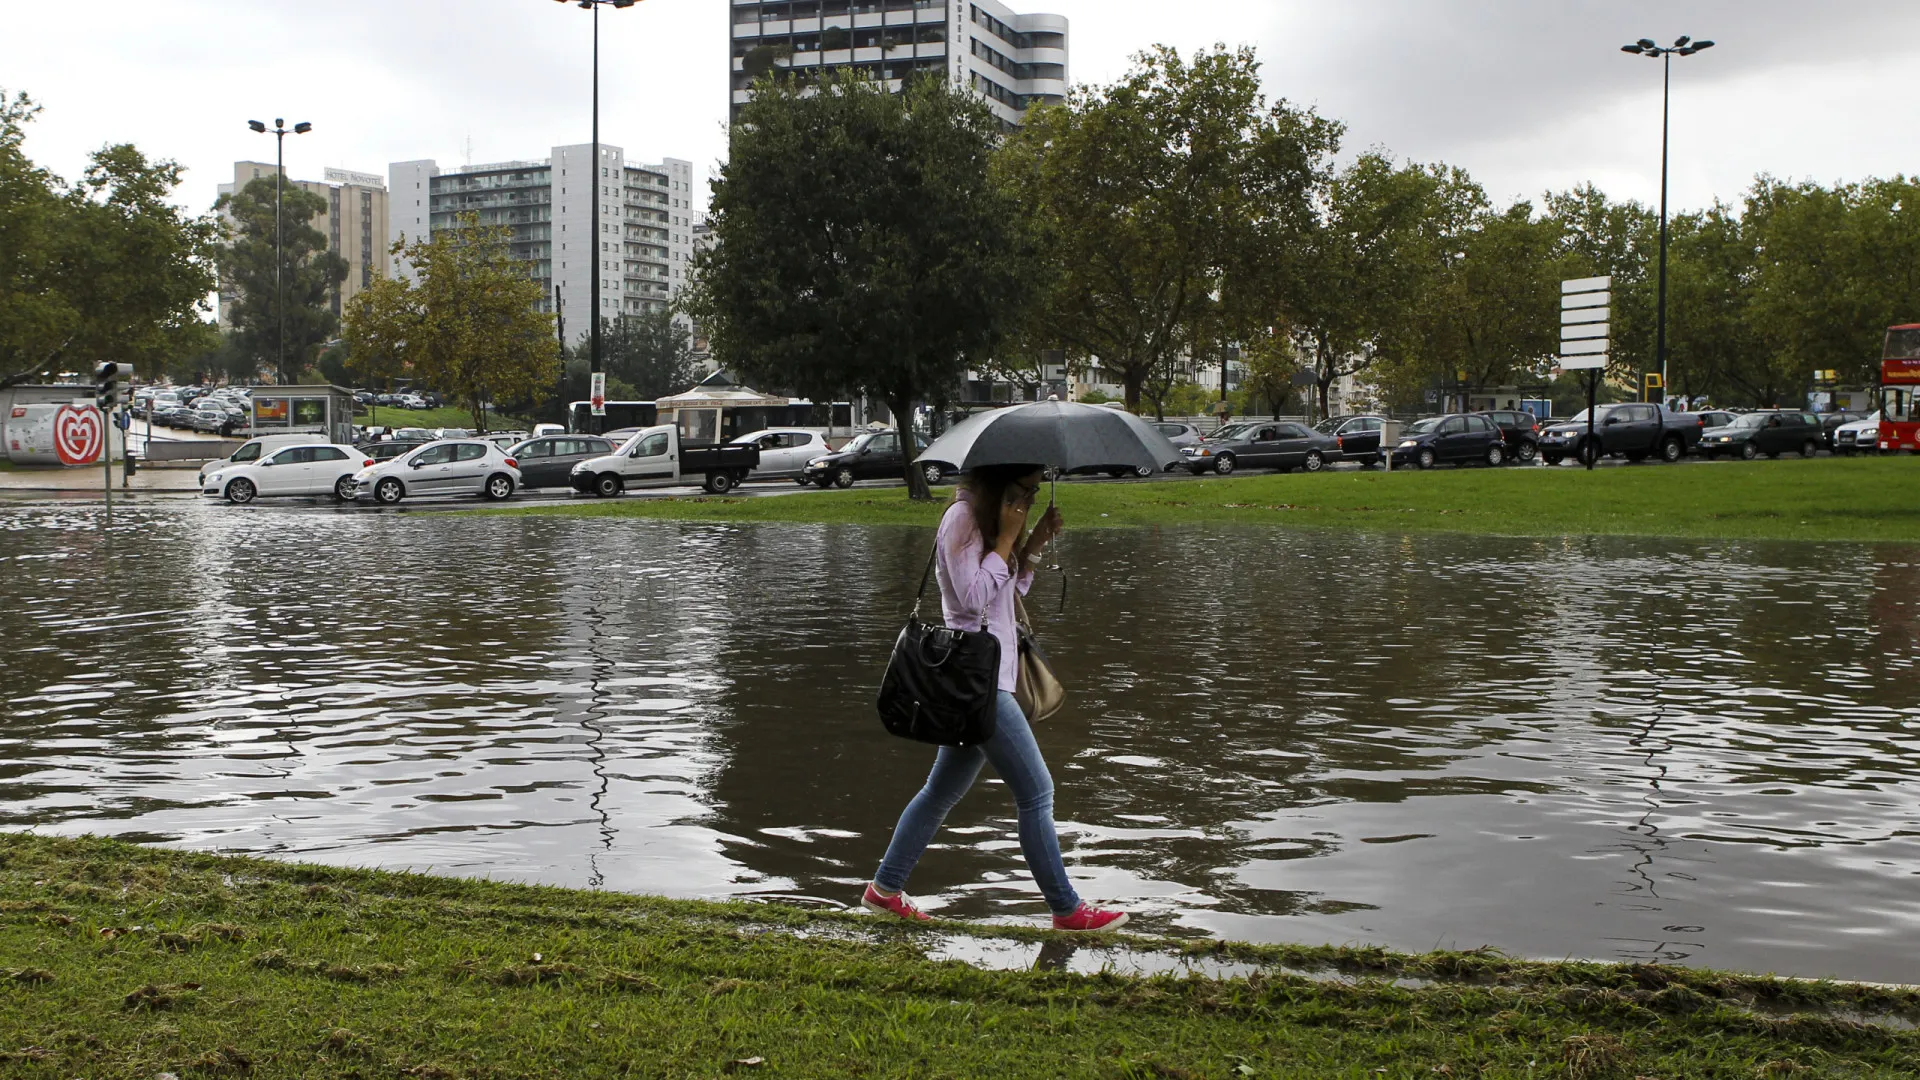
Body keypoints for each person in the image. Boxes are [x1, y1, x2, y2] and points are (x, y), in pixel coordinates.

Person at [862, 463, 1128, 932]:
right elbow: (970, 600)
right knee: (1037, 792)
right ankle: (1067, 910)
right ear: (1000, 482)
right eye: (1023, 491)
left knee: (940, 791)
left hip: (992, 675)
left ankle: (884, 891)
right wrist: (1006, 539)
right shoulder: (962, 518)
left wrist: (1033, 546)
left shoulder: (985, 520)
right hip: (977, 682)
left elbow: (1007, 591)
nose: (1026, 501)